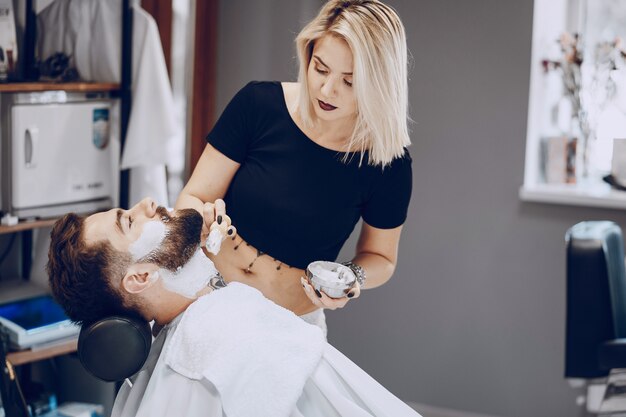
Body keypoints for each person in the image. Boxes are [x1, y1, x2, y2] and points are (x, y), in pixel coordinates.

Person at [46, 197, 421, 417]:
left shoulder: (209, 327)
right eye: (129, 221)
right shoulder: (207, 347)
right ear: (141, 278)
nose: (145, 204)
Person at [175, 0, 413, 331]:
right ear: (308, 55)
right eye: (320, 68)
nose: (328, 90)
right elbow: (192, 197)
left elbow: (382, 259)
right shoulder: (258, 105)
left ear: (380, 84)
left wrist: (352, 277)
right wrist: (196, 219)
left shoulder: (387, 163)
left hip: (289, 326)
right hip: (205, 297)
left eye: (349, 80)